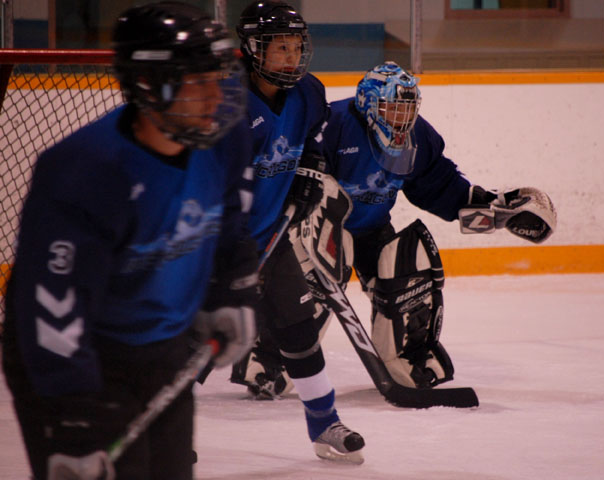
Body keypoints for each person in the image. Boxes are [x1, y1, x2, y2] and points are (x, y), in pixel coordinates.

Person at [1, 2, 258, 479]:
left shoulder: (226, 138)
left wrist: (232, 290)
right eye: (195, 80)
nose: (214, 96)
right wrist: (71, 421)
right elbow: (54, 305)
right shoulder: (86, 171)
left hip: (163, 347)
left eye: (216, 77)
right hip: (77, 359)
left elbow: (229, 224)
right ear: (148, 85)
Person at [245, 61, 557, 395]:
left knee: (409, 265)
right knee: (314, 279)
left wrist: (491, 207)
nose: (401, 118)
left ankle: (408, 358)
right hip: (316, 224)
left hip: (371, 228)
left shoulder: (418, 136)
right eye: (392, 108)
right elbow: (292, 169)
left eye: (407, 109)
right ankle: (270, 356)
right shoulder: (332, 123)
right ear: (367, 103)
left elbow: (439, 185)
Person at [227, 1, 365, 465]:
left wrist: (311, 166)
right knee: (195, 343)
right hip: (216, 247)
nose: (290, 57)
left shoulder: (308, 92)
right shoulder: (227, 102)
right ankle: (157, 429)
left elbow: (312, 139)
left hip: (272, 235)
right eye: (279, 47)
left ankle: (324, 424)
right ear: (251, 50)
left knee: (299, 329)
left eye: (295, 46)